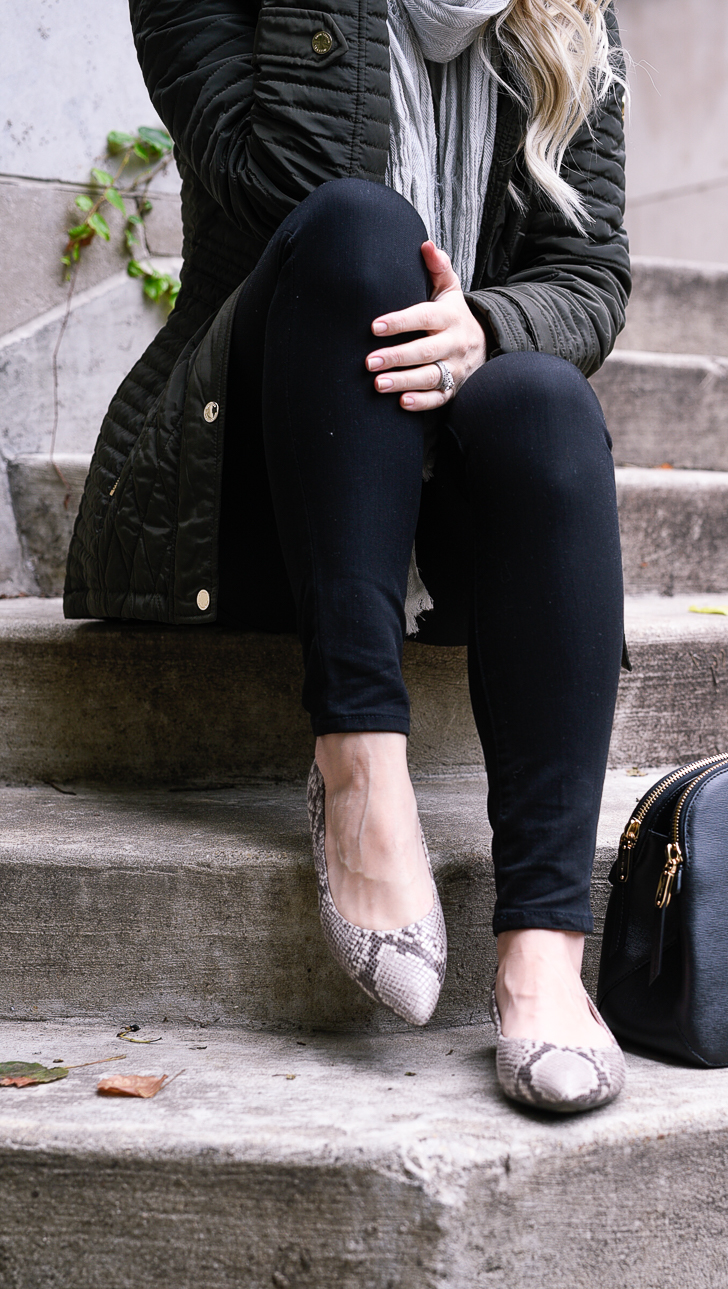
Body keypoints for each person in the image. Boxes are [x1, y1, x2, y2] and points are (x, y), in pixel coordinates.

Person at [64, 0, 631, 1114]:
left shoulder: (566, 14)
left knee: (545, 400)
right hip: (264, 479)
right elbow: (280, 179)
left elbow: (590, 273)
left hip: (448, 476)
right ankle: (360, 772)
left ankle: (545, 949)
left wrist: (486, 328)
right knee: (362, 227)